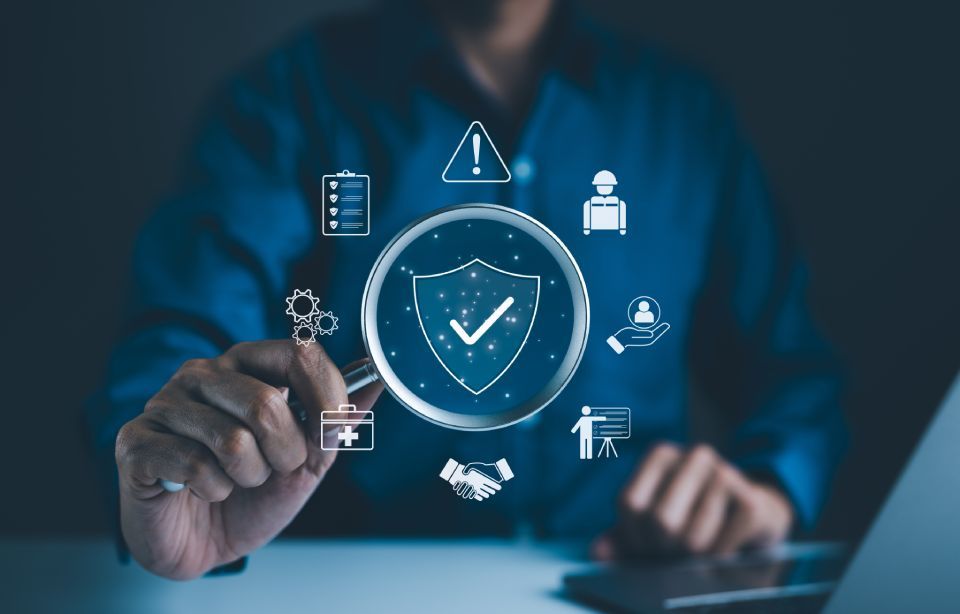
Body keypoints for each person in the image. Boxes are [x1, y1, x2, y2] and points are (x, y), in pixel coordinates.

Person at [87, 0, 846, 580]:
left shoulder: (685, 116)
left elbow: (792, 367)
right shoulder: (282, 104)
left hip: (623, 577)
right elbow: (176, 355)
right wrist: (173, 476)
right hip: (349, 586)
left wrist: (768, 491)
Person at [583, 170, 627, 235]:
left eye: (607, 186)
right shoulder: (588, 204)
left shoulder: (620, 204)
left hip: (614, 232)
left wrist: (622, 228)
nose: (604, 188)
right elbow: (586, 217)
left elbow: (622, 217)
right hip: (595, 233)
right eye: (601, 186)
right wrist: (586, 228)